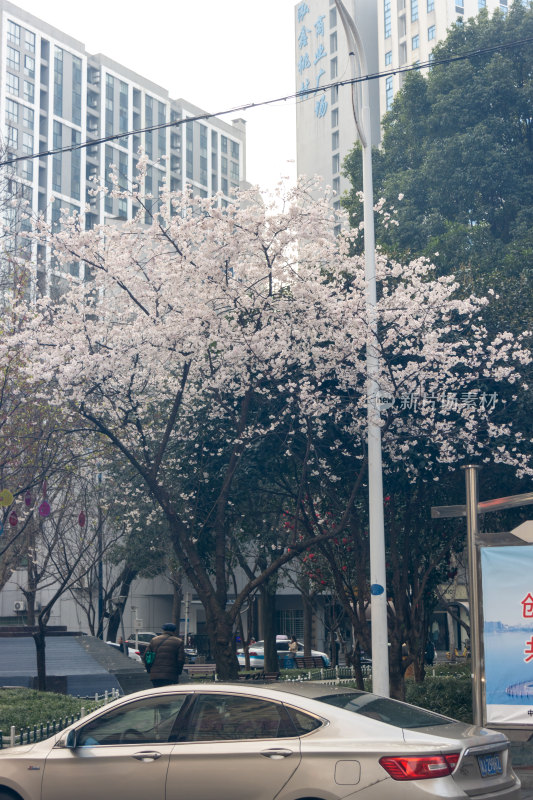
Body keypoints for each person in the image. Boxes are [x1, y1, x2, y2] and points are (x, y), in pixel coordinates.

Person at [143, 623, 185, 687]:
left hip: (155, 675)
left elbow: (146, 656)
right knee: (169, 694)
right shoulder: (179, 642)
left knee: (157, 694)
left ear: (163, 630)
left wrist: (150, 670)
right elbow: (180, 660)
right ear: (174, 631)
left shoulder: (154, 640)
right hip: (171, 675)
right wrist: (178, 672)